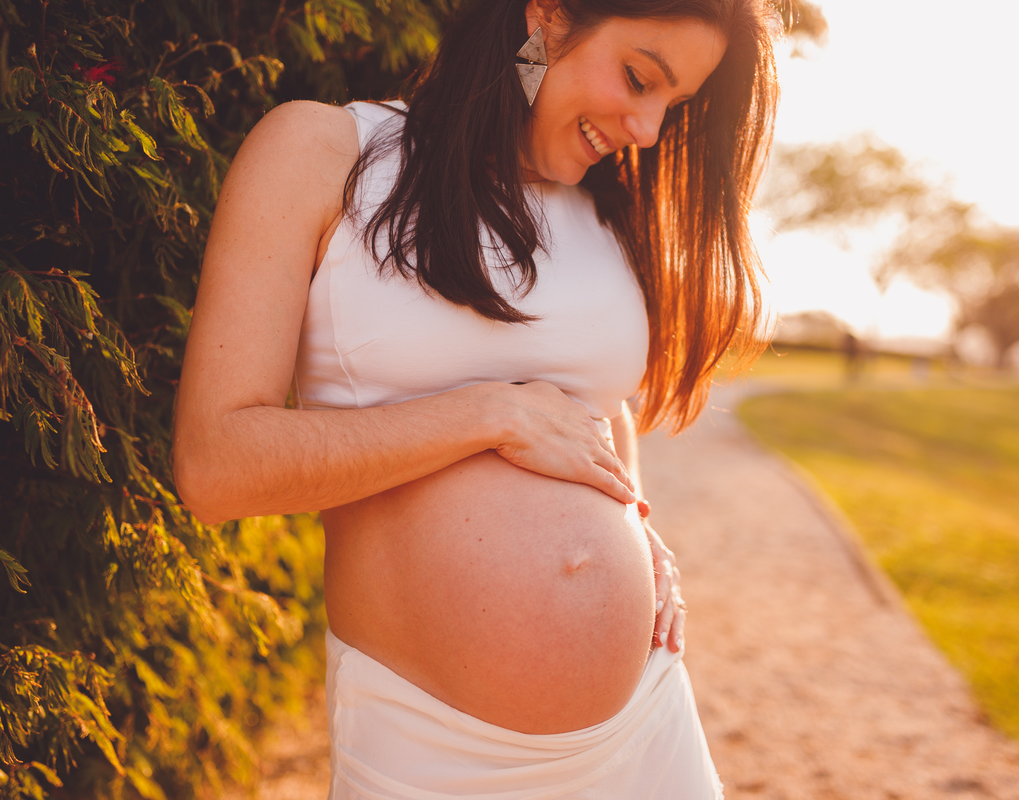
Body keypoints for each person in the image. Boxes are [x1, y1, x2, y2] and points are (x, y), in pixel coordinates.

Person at [173, 0, 778, 795]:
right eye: (639, 78)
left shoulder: (607, 211)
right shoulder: (326, 151)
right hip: (434, 750)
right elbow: (217, 466)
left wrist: (634, 520)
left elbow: (595, 408)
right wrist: (488, 413)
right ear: (550, 18)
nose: (648, 129)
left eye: (675, 105)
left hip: (647, 728)